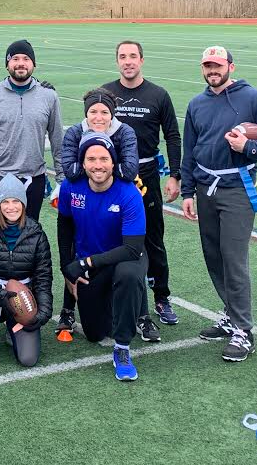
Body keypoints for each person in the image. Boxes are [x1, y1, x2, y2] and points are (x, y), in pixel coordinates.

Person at [180, 46, 257, 363]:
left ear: (230, 66)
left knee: (234, 258)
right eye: (207, 66)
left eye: (217, 65)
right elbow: (190, 151)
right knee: (213, 255)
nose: (212, 71)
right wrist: (188, 192)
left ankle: (244, 330)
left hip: (237, 188)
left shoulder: (253, 98)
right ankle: (230, 315)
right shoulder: (197, 104)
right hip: (204, 188)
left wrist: (249, 146)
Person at [103, 40, 183, 332]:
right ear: (117, 61)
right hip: (113, 178)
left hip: (147, 176)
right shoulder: (106, 93)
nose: (128, 62)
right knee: (114, 239)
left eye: (133, 56)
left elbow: (173, 136)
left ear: (142, 60)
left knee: (152, 238)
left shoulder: (158, 95)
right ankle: (117, 296)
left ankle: (161, 297)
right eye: (122, 57)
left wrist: (175, 175)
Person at [56, 133, 148, 381]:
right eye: (91, 159)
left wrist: (84, 263)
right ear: (83, 163)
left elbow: (131, 249)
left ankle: (123, 349)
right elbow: (64, 226)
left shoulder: (128, 193)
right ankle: (127, 302)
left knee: (128, 275)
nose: (98, 165)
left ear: (113, 162)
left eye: (104, 159)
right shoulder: (70, 187)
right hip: (95, 266)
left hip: (126, 257)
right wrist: (68, 269)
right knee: (95, 333)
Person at [55, 87, 140, 339]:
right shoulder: (74, 133)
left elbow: (129, 170)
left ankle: (142, 312)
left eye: (105, 112)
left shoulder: (124, 132)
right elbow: (69, 171)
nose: (99, 117)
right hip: (87, 203)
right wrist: (95, 172)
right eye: (93, 111)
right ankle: (69, 309)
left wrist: (99, 169)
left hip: (118, 209)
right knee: (94, 333)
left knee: (133, 259)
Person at [0, 39, 64, 223]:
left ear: (34, 64)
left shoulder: (49, 96)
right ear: (7, 64)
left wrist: (62, 179)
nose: (21, 63)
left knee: (27, 241)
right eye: (15, 58)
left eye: (26, 58)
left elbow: (57, 140)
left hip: (33, 179)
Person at [0, 173, 53, 379]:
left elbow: (43, 277)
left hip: (21, 301)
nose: (11, 207)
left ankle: (13, 329)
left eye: (16, 201)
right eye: (5, 201)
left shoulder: (36, 233)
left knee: (28, 359)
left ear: (23, 203)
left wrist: (43, 314)